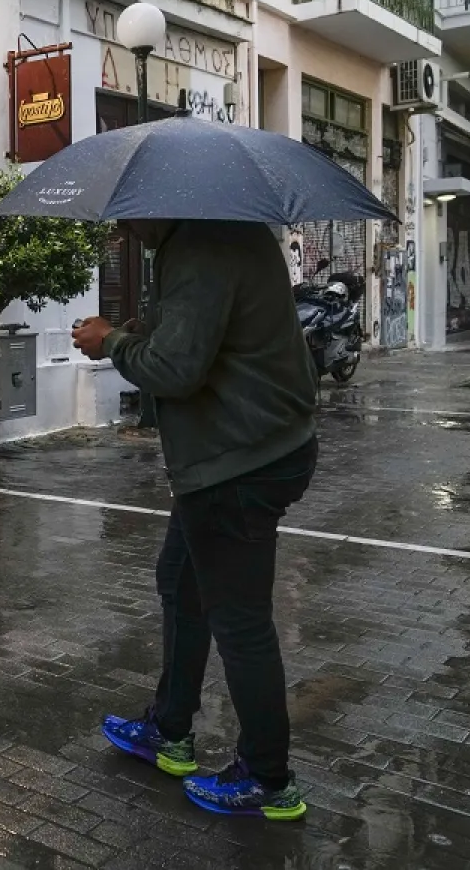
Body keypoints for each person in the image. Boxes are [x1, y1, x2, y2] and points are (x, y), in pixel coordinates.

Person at [71, 219, 318, 821]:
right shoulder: (225, 232)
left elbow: (177, 370)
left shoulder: (200, 246)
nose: (125, 229)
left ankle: (268, 779)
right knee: (180, 583)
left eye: (130, 216)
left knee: (240, 623)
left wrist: (110, 342)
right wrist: (140, 332)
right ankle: (170, 730)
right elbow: (208, 335)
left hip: (238, 462)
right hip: (240, 453)